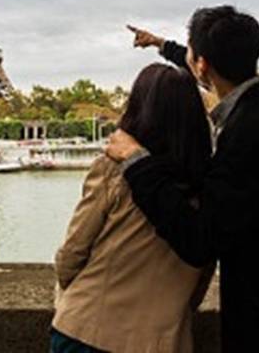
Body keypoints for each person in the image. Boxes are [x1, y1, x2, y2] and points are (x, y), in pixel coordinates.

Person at [108, 7, 259, 352]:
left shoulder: (249, 135)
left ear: (202, 64)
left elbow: (198, 239)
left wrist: (136, 162)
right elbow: (203, 63)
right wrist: (162, 45)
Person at [51, 63, 216, 353]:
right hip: (164, 341)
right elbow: (202, 273)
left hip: (89, 330)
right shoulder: (210, 183)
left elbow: (73, 253)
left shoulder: (112, 169)